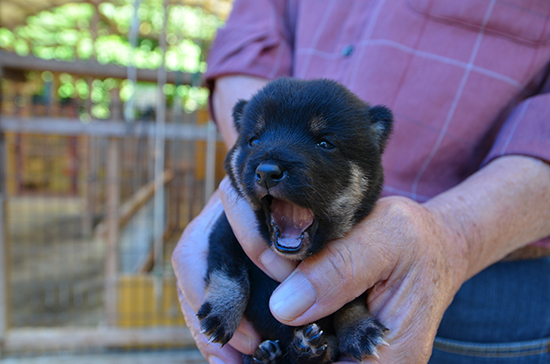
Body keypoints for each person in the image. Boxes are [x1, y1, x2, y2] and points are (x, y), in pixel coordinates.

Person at [172, 1, 550, 363]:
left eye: (323, 143)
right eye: (255, 140)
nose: (269, 161)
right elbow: (248, 42)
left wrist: (457, 237)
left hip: (494, 281)